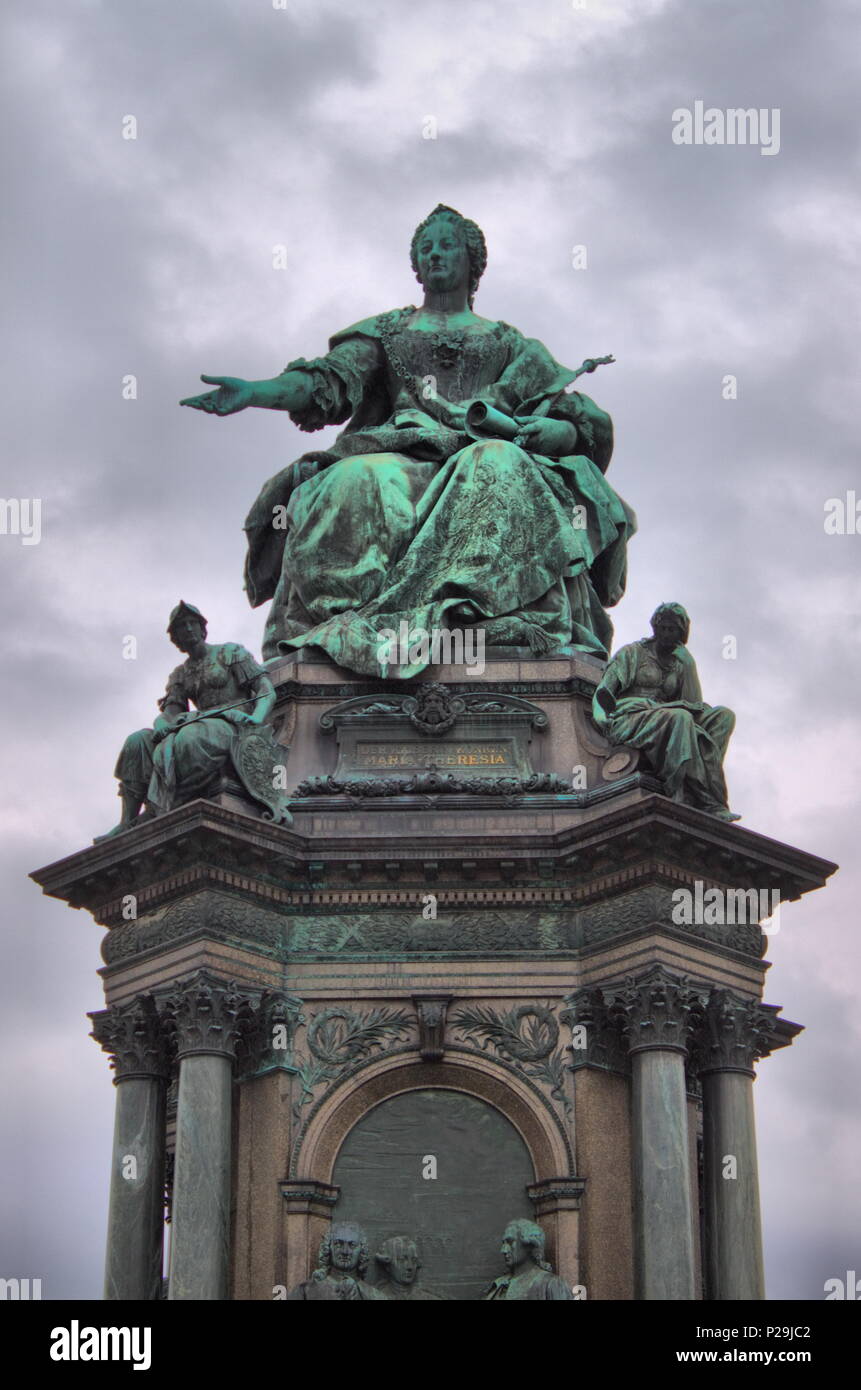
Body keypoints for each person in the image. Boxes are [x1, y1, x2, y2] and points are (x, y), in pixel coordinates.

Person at [181, 204, 636, 677]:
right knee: (352, 481)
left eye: (447, 245)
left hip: (477, 451)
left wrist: (555, 433)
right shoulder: (386, 332)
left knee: (499, 461)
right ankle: (350, 623)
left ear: (472, 261)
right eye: (425, 247)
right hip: (397, 451)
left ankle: (469, 611)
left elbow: (571, 419)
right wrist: (256, 392)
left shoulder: (509, 343)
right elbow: (327, 382)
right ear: (415, 265)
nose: (435, 253)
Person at [98, 602, 276, 837]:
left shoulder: (230, 652)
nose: (189, 630)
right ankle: (128, 821)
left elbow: (266, 690)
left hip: (233, 724)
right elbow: (171, 712)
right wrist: (161, 725)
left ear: (202, 629)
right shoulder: (179, 674)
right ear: (176, 638)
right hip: (200, 722)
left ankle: (164, 803)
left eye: (193, 624)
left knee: (188, 739)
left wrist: (255, 719)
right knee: (137, 742)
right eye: (182, 627)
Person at [592, 602, 740, 821]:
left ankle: (699, 788)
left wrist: (689, 666)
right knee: (680, 718)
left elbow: (693, 704)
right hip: (631, 716)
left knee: (724, 716)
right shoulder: (633, 653)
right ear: (656, 628)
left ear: (683, 633)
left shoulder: (680, 662)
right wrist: (600, 715)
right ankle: (696, 796)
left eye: (674, 630)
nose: (668, 634)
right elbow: (604, 690)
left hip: (667, 716)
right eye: (664, 628)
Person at [288, 1221, 384, 1301]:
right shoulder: (305, 1291)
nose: (345, 1251)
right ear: (328, 1247)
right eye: (338, 1244)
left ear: (362, 1251)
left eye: (352, 1245)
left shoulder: (376, 1296)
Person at [484, 1218, 573, 1299]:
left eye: (510, 1242)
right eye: (503, 1243)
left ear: (529, 1245)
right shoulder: (498, 1285)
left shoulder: (551, 1284)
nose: (503, 1250)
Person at [373, 1235, 445, 1300]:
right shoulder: (374, 1296)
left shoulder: (428, 1298)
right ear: (387, 1266)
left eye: (414, 1261)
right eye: (402, 1260)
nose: (409, 1267)